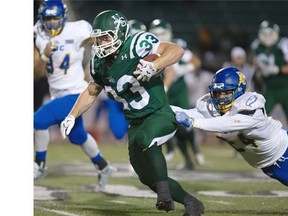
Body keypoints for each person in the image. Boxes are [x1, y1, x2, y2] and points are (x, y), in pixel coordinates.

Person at [60, 10, 204, 216]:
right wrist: (71, 115)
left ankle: (164, 194)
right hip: (135, 123)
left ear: (119, 33)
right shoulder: (98, 64)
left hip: (159, 113)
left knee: (147, 141)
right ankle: (192, 203)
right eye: (98, 38)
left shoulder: (137, 44)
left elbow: (176, 50)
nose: (100, 43)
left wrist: (154, 65)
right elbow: (91, 91)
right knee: (146, 176)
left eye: (105, 37)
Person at [33, 0, 116, 191]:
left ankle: (39, 165)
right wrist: (44, 56)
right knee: (77, 136)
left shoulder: (78, 29)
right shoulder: (38, 31)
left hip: (76, 93)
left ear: (64, 17)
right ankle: (104, 167)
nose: (52, 22)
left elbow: (98, 40)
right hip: (57, 94)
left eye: (56, 18)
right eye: (48, 18)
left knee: (38, 120)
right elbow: (36, 72)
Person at [173, 67, 288, 187]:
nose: (221, 98)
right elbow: (185, 113)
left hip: (284, 150)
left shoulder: (250, 103)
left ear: (239, 90)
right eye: (217, 93)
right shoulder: (211, 107)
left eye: (226, 93)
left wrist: (194, 122)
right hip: (268, 165)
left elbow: (231, 122)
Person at [149, 19, 205, 169]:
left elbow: (196, 62)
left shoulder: (176, 43)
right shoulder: (150, 46)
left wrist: (182, 70)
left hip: (177, 89)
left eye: (162, 33)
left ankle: (195, 149)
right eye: (156, 33)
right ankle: (184, 157)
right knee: (166, 121)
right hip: (160, 87)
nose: (159, 36)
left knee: (184, 122)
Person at [251, 20, 288, 123]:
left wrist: (277, 69)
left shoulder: (283, 44)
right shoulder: (257, 46)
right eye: (264, 33)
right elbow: (255, 65)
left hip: (285, 87)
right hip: (269, 88)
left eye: (269, 33)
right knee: (258, 118)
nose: (267, 36)